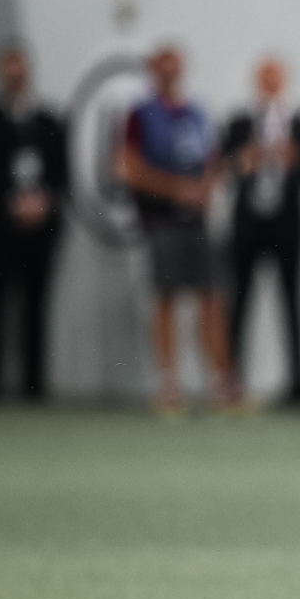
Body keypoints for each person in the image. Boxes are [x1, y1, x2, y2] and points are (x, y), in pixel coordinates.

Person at [118, 45, 240, 413]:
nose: (170, 74)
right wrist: (176, 190)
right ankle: (169, 383)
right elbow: (129, 168)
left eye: (175, 67)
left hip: (197, 220)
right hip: (161, 220)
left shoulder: (198, 113)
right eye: (164, 67)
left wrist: (206, 187)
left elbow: (212, 162)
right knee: (166, 296)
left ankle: (219, 381)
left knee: (212, 295)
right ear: (154, 71)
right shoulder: (141, 115)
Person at [223, 57, 300, 401]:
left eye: (274, 76)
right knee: (240, 299)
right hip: (248, 223)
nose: (269, 83)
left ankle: (298, 381)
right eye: (264, 77)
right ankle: (231, 379)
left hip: (287, 224)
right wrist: (245, 160)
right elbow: (223, 165)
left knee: (292, 300)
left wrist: (296, 160)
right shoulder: (240, 123)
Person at [0, 46, 68, 400]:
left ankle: (34, 384)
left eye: (20, 68)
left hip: (41, 230)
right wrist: (10, 203)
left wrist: (43, 202)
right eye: (9, 69)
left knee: (36, 304)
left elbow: (61, 173)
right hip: (2, 230)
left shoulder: (48, 122)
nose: (15, 75)